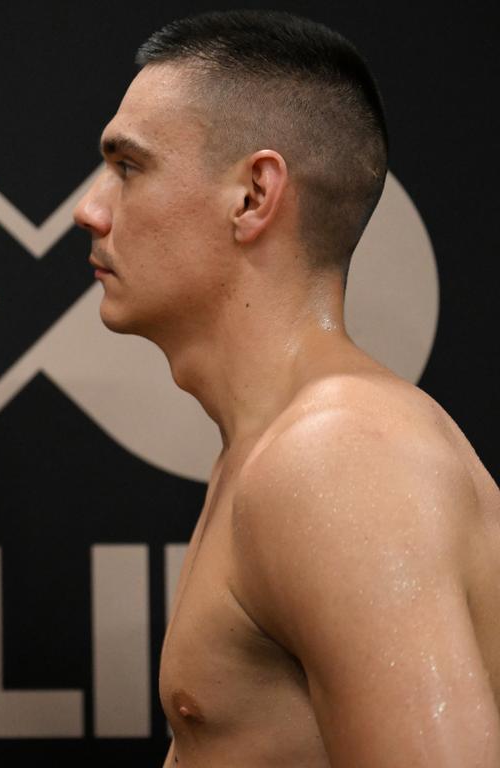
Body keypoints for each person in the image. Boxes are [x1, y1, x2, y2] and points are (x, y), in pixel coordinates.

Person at [74, 9, 500, 767]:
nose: (90, 209)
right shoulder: (278, 449)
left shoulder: (338, 458)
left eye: (129, 166)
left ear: (253, 195)